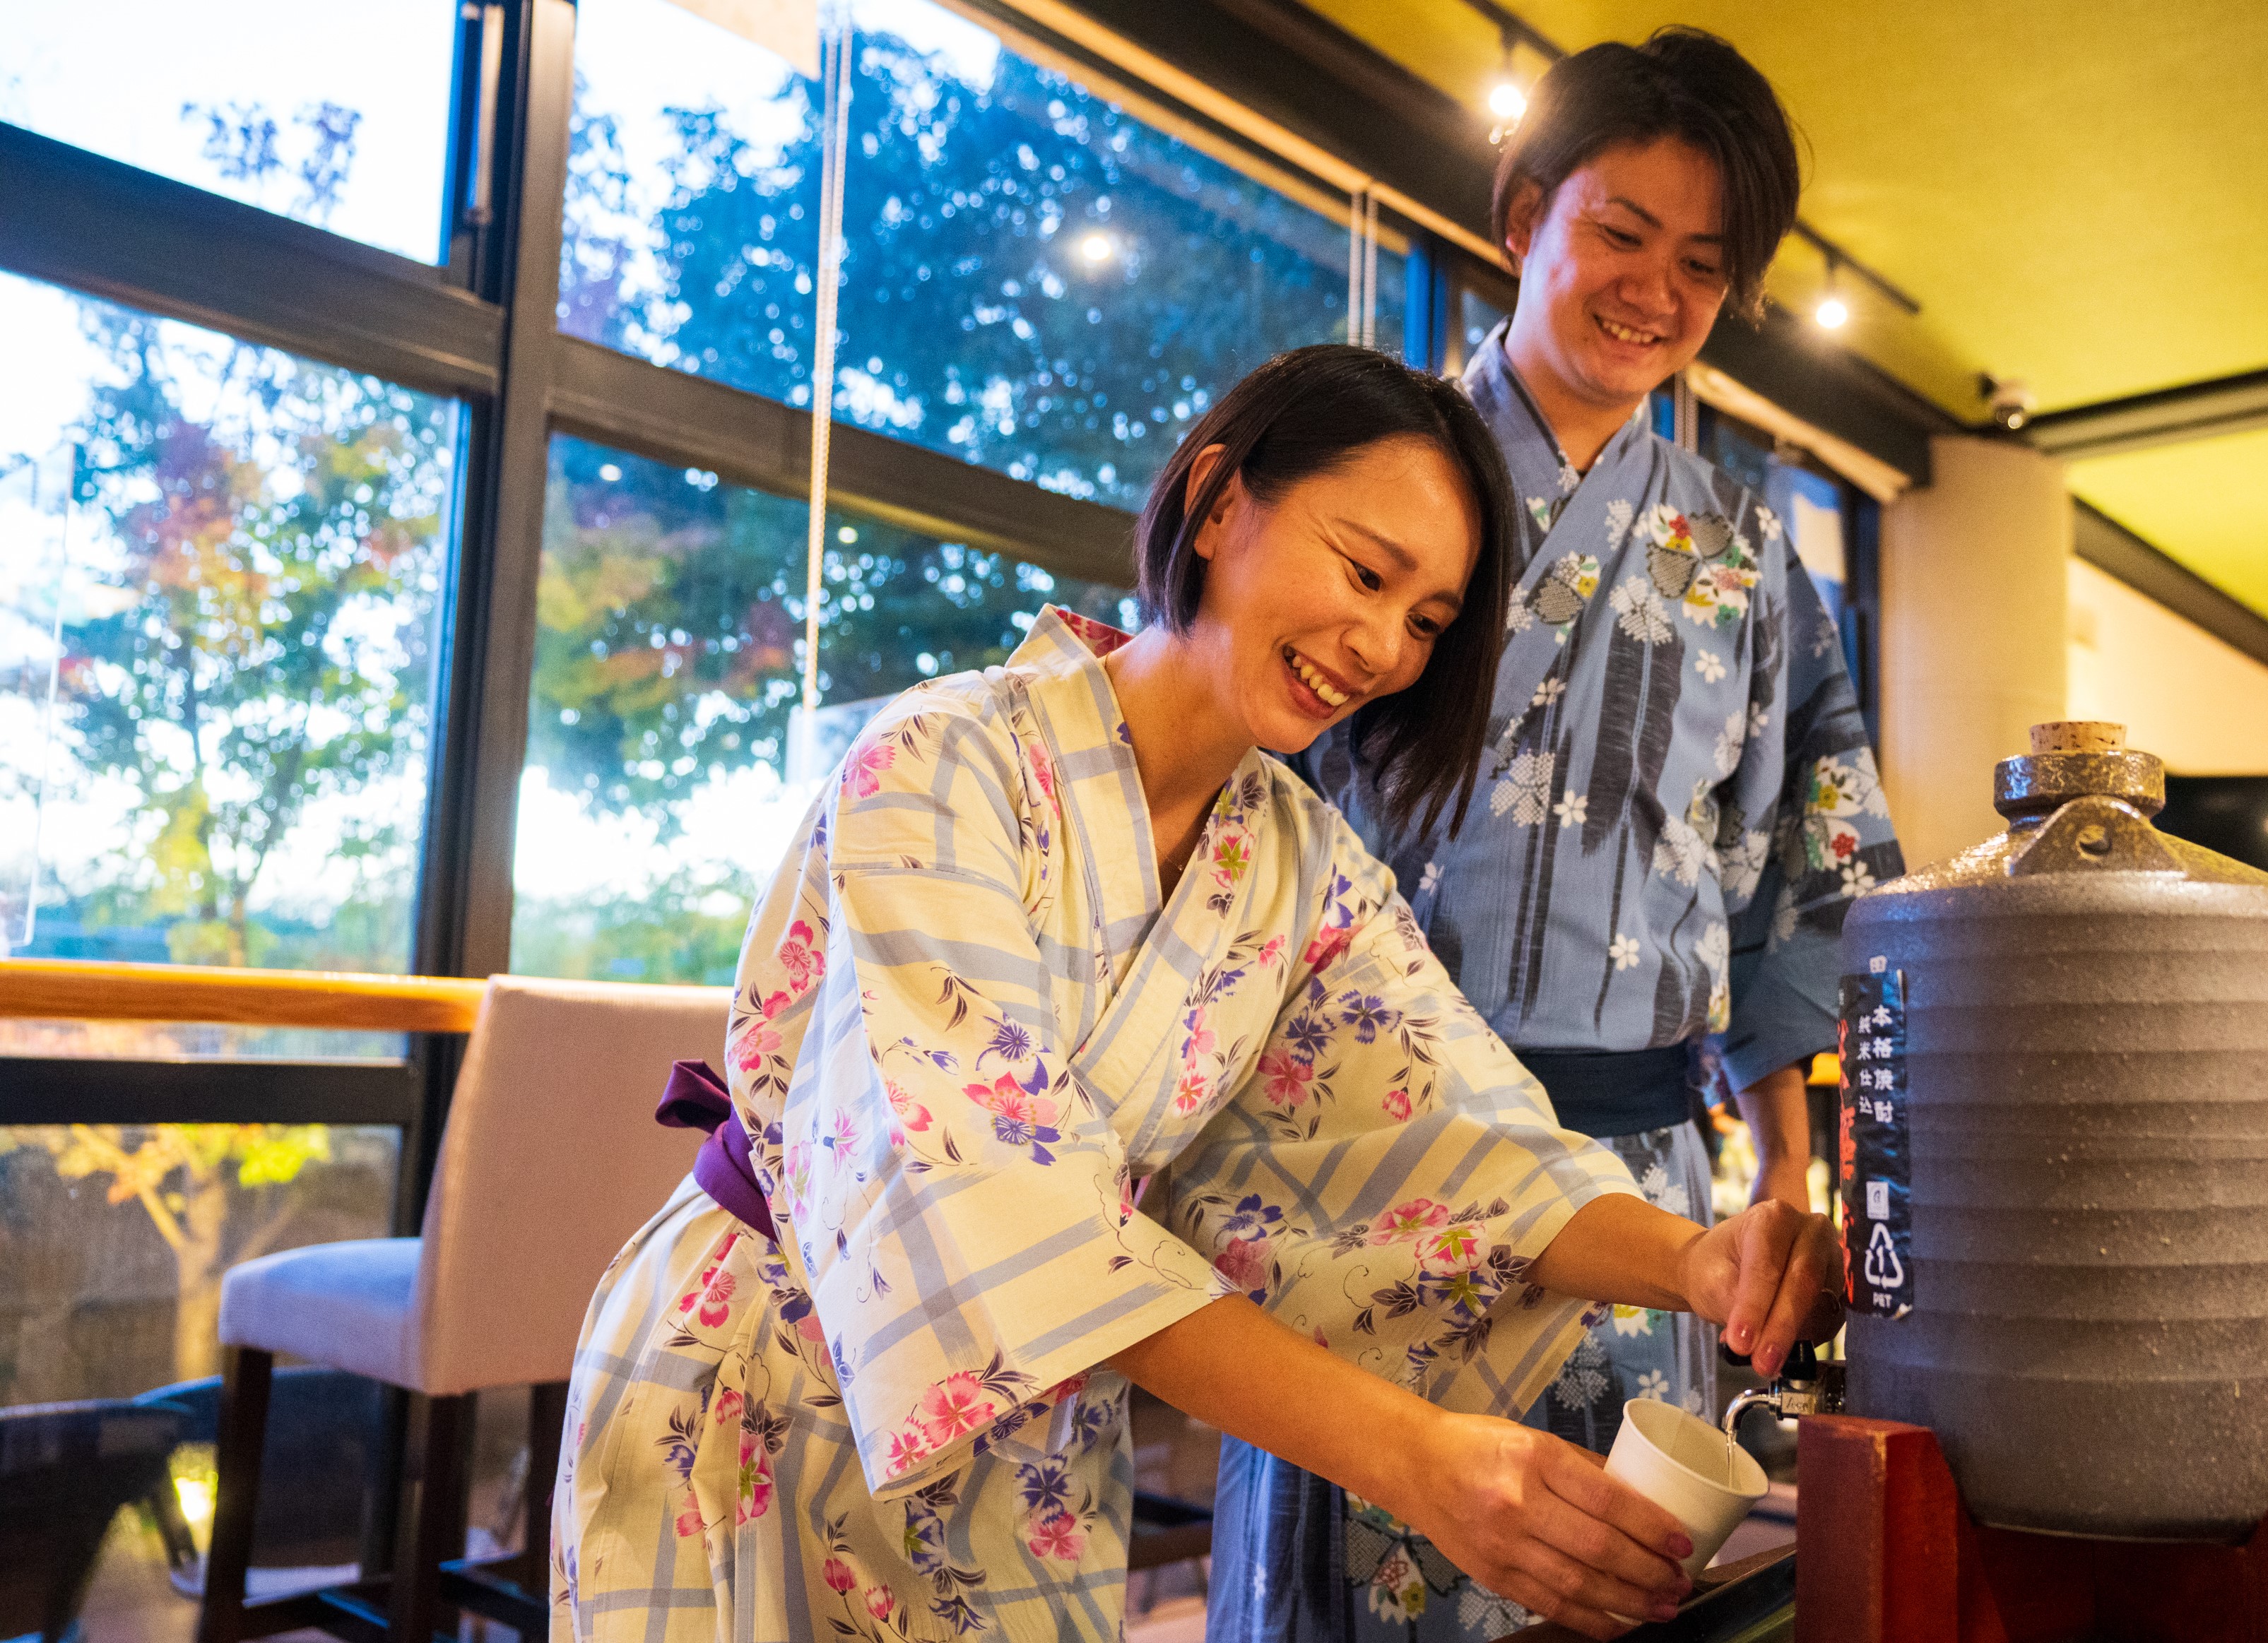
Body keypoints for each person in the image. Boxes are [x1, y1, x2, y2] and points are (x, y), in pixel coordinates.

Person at [550, 345, 1842, 1643]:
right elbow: (996, 1196)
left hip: (1027, 1446)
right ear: (1220, 504)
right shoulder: (944, 760)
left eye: (1429, 621)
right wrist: (1415, 1461)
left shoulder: (1299, 862)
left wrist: (1696, 1256)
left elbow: (1453, 1143)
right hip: (770, 1378)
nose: (1383, 645)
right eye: (1364, 570)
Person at [1212, 30, 1903, 1641]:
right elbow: (1234, 771)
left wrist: (1788, 1166)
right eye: (1620, 233)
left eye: (1704, 264)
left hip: (1646, 1183)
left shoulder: (1751, 554)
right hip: (1362, 1159)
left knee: (1604, 1578)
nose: (1655, 290)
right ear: (1525, 214)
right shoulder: (1380, 482)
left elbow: (1794, 865)